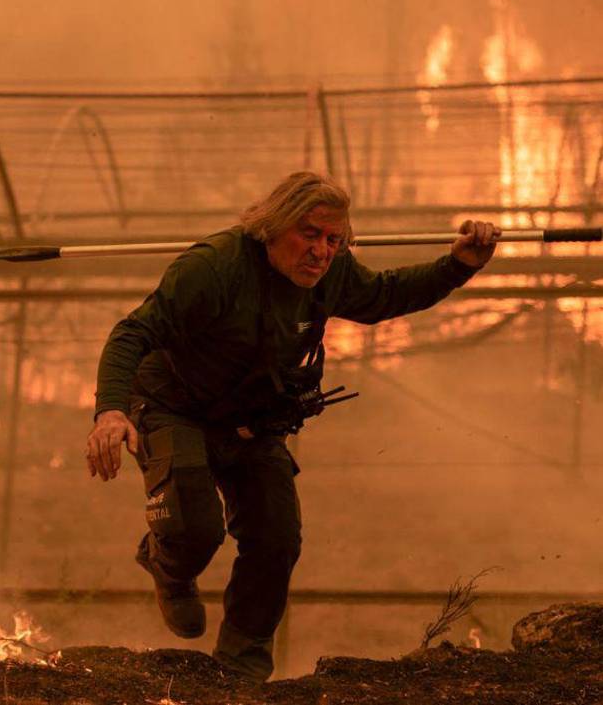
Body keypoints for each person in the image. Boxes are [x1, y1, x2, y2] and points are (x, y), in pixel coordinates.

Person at [85, 171, 499, 681]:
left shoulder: (333, 273)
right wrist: (110, 411)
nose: (321, 252)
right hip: (173, 406)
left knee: (277, 538)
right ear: (273, 225)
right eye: (309, 233)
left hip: (254, 421)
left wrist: (458, 266)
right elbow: (132, 333)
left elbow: (386, 296)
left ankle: (240, 669)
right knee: (193, 526)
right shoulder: (213, 267)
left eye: (333, 240)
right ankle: (168, 566)